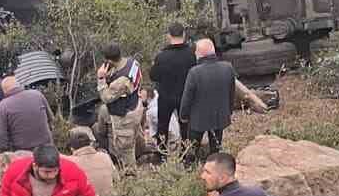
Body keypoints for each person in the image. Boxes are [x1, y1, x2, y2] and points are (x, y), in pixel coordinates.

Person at [179, 39, 237, 155]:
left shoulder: (194, 72)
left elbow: (187, 98)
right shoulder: (228, 67)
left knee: (192, 148)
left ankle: (190, 166)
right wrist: (229, 111)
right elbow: (231, 92)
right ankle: (215, 162)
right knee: (216, 147)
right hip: (220, 115)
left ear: (199, 54)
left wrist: (183, 115)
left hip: (198, 119)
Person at [95, 43, 144, 167]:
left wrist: (101, 78)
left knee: (125, 150)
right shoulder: (133, 63)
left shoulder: (121, 80)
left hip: (125, 117)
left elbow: (106, 97)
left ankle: (130, 176)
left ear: (109, 60)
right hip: (135, 106)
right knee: (134, 138)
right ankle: (138, 154)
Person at [149, 21, 196, 151]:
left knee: (162, 126)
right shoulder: (191, 54)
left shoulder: (162, 56)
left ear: (168, 36)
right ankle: (187, 153)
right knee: (185, 126)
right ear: (184, 34)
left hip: (166, 96)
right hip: (185, 95)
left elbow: (153, 76)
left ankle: (161, 155)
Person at [0, 75, 53, 154]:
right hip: (47, 147)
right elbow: (51, 118)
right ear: (19, 85)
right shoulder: (37, 94)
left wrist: (1, 151)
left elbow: (1, 138)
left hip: (22, 151)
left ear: (4, 90)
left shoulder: (3, 105)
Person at [65, 127, 115, 196]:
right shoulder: (105, 156)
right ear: (90, 144)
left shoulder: (68, 162)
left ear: (72, 149)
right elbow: (117, 179)